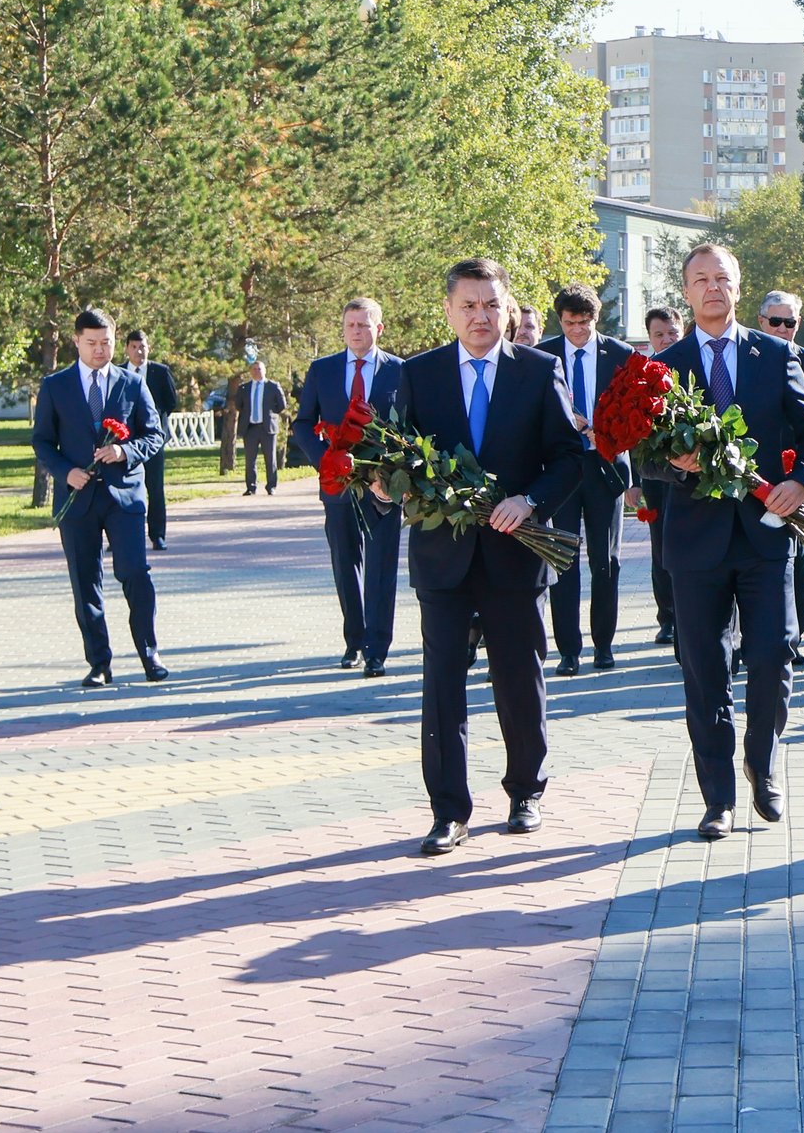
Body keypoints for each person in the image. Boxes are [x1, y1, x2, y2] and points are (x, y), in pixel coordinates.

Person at [391, 257, 586, 854]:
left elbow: (571, 457)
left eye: (491, 305)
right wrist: (386, 483)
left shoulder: (539, 370)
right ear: (449, 310)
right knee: (442, 686)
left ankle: (525, 792)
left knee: (519, 683)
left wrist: (530, 501)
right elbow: (395, 456)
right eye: (469, 306)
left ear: (508, 309)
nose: (481, 316)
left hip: (514, 557)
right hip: (442, 559)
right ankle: (449, 811)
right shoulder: (418, 375)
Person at [648, 243, 804, 840]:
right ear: (686, 290)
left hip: (766, 534)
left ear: (738, 285)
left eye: (721, 278)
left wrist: (800, 483)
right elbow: (644, 456)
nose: (712, 288)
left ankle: (762, 758)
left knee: (774, 653)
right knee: (704, 669)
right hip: (695, 542)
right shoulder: (663, 366)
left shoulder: (774, 354)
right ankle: (717, 797)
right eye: (700, 280)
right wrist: (676, 463)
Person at [30, 307, 169, 686]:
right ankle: (99, 663)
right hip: (78, 501)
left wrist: (125, 451)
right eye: (91, 343)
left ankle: (150, 654)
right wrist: (65, 472)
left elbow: (155, 435)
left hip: (124, 497)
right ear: (76, 341)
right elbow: (42, 440)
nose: (99, 350)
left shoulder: (131, 384)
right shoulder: (56, 386)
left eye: (106, 343)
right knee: (85, 582)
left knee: (135, 574)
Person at [294, 297, 404, 676]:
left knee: (381, 564)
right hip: (338, 484)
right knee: (345, 562)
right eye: (350, 325)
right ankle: (354, 640)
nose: (356, 331)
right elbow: (304, 423)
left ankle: (377, 647)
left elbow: (408, 428)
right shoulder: (322, 370)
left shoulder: (401, 372)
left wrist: (389, 477)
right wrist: (328, 461)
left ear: (379, 328)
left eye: (364, 324)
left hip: (383, 487)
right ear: (342, 329)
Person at [537, 283, 637, 675]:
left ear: (596, 319)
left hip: (606, 467)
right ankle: (568, 649)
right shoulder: (543, 355)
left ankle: (604, 645)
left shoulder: (621, 354)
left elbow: (636, 414)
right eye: (568, 323)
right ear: (559, 320)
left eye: (583, 322)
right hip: (561, 470)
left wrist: (605, 433)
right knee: (563, 558)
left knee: (605, 560)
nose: (576, 330)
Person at [759, 290, 804, 667]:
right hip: (753, 475)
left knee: (798, 557)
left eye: (791, 322)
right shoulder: (750, 356)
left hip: (796, 478)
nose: (784, 329)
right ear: (762, 322)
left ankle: (794, 637)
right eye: (776, 322)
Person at [638, 306, 683, 646]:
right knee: (661, 547)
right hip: (655, 474)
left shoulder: (691, 364)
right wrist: (633, 481)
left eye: (672, 333)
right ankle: (666, 615)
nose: (666, 340)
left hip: (693, 471)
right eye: (659, 335)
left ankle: (685, 614)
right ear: (650, 338)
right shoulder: (640, 376)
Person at [122, 330, 178, 551]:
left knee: (155, 488)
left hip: (152, 442)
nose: (139, 351)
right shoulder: (118, 372)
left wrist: (154, 423)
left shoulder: (160, 373)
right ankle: (123, 536)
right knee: (123, 488)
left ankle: (157, 535)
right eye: (134, 347)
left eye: (142, 346)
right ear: (127, 349)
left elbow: (171, 402)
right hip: (125, 443)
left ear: (149, 348)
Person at [236, 362, 285, 495]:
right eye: (254, 369)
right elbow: (238, 405)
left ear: (265, 371)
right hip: (250, 428)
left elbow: (281, 405)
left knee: (270, 459)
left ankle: (271, 486)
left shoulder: (273, 386)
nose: (257, 371)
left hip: (267, 428)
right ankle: (251, 487)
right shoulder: (244, 388)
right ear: (250, 371)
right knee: (250, 459)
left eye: (259, 369)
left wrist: (270, 414)